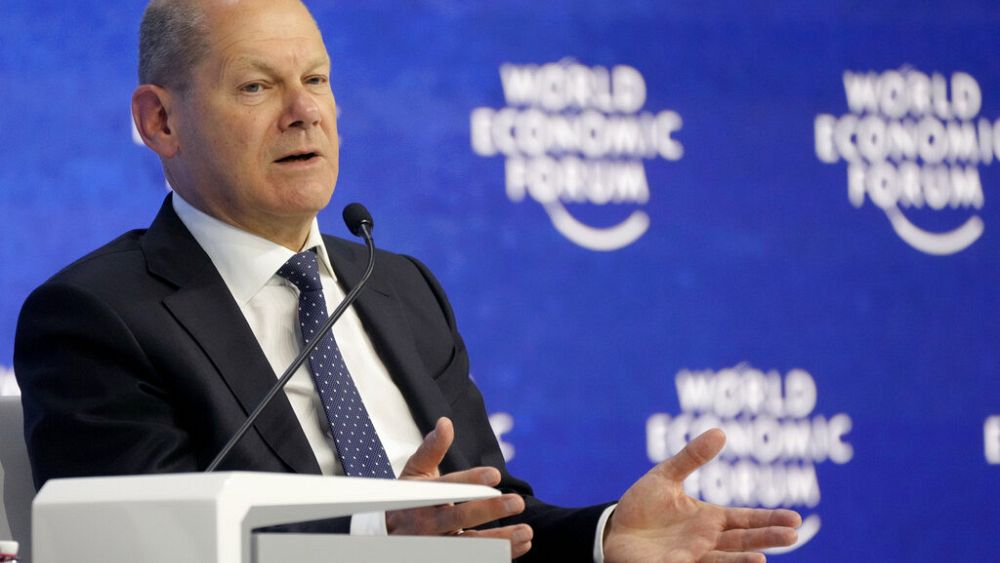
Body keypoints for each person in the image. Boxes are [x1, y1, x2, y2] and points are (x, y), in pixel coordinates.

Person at [13, 0, 801, 561]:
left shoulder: (396, 286)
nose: (304, 112)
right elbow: (143, 547)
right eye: (256, 86)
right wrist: (375, 543)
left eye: (316, 79)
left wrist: (604, 537)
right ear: (160, 121)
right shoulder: (98, 315)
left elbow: (489, 519)